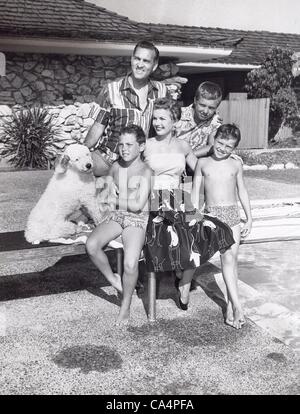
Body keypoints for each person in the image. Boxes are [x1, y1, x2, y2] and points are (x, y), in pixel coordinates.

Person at [143, 97, 235, 310]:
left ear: (174, 120)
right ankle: (181, 276)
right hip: (155, 199)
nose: (157, 123)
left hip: (179, 197)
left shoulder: (183, 146)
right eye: (155, 118)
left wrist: (228, 160)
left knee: (210, 228)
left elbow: (202, 168)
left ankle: (184, 282)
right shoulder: (145, 146)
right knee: (184, 230)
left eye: (163, 118)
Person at [86, 124, 152, 324]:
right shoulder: (115, 167)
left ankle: (126, 304)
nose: (124, 149)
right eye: (121, 144)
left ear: (141, 147)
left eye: (129, 144)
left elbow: (138, 204)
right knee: (91, 245)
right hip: (116, 216)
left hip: (137, 219)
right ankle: (114, 279)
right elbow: (105, 192)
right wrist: (106, 192)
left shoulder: (146, 170)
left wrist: (115, 200)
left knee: (130, 264)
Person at [191, 124, 252, 329]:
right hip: (213, 216)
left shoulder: (235, 165)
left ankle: (230, 305)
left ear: (234, 148)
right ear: (213, 139)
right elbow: (194, 193)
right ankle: (237, 305)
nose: (223, 148)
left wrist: (250, 218)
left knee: (231, 260)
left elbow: (242, 190)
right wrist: (194, 217)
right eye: (220, 143)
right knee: (227, 258)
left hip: (232, 214)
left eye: (229, 146)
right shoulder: (202, 163)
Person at [84, 40, 167, 176]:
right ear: (131, 59)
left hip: (141, 164)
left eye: (146, 61)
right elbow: (98, 127)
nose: (140, 65)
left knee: (163, 190)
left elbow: (167, 126)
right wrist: (82, 151)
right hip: (108, 161)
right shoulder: (111, 90)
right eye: (137, 59)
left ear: (154, 66)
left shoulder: (161, 91)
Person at [175, 81, 223, 158]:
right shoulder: (179, 114)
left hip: (196, 160)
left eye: (211, 108)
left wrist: (189, 156)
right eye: (202, 105)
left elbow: (212, 146)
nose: (205, 111)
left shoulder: (215, 121)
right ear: (195, 101)